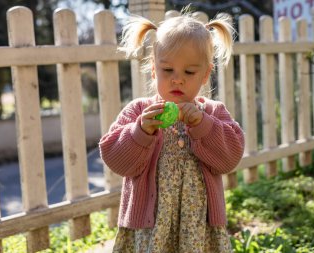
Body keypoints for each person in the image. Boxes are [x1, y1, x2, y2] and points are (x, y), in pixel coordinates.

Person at [99, 9, 245, 253]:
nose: (178, 79)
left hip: (198, 226)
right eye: (168, 70)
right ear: (154, 70)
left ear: (206, 74)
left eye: (189, 72)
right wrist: (140, 131)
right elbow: (115, 159)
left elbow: (229, 159)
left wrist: (203, 125)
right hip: (150, 226)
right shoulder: (139, 112)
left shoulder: (213, 113)